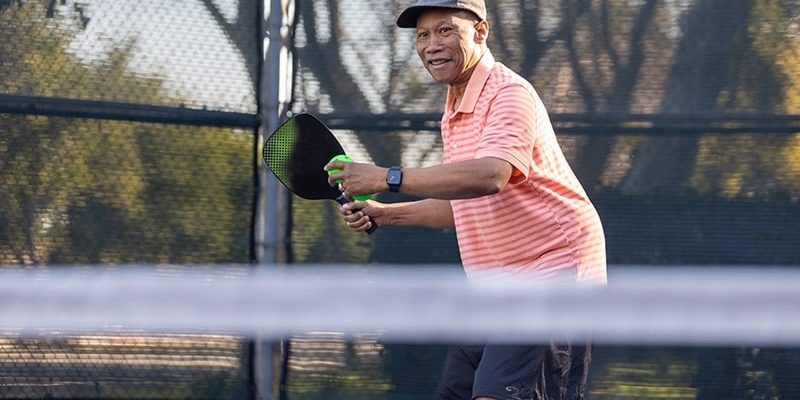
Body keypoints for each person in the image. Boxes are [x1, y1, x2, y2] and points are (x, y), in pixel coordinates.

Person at [325, 0, 607, 398]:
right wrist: (384, 215)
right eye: (423, 35)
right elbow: (464, 203)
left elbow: (491, 176)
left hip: (554, 274)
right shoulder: (455, 109)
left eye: (445, 31)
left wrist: (387, 177)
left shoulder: (509, 94)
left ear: (480, 31)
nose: (431, 45)